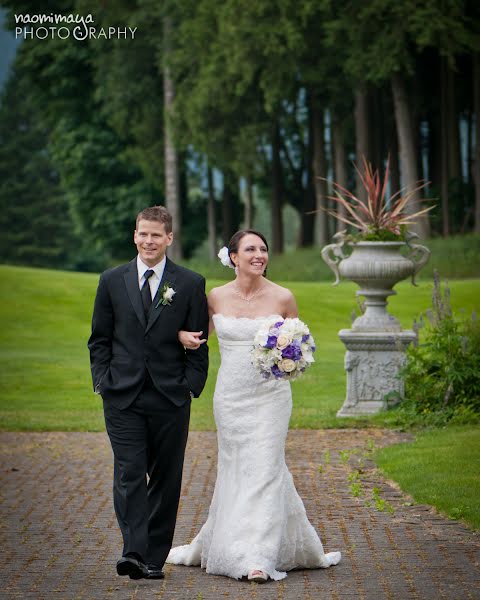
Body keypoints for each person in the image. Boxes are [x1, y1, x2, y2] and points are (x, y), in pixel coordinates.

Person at [167, 230, 341, 582]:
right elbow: (195, 336)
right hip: (230, 398)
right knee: (235, 470)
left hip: (271, 398)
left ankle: (258, 557)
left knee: (265, 467)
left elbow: (299, 343)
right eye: (251, 249)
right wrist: (180, 336)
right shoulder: (214, 297)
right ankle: (237, 540)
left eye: (263, 249)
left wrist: (289, 359)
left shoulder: (283, 297)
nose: (259, 254)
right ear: (233, 257)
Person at [88, 205, 209, 580]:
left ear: (169, 238)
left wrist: (190, 386)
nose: (148, 241)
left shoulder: (189, 283)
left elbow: (199, 342)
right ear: (134, 235)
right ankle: (133, 550)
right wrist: (101, 381)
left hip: (170, 396)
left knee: (166, 476)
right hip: (121, 396)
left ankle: (154, 558)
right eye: (142, 233)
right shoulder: (111, 280)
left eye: (156, 235)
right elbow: (100, 339)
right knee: (128, 472)